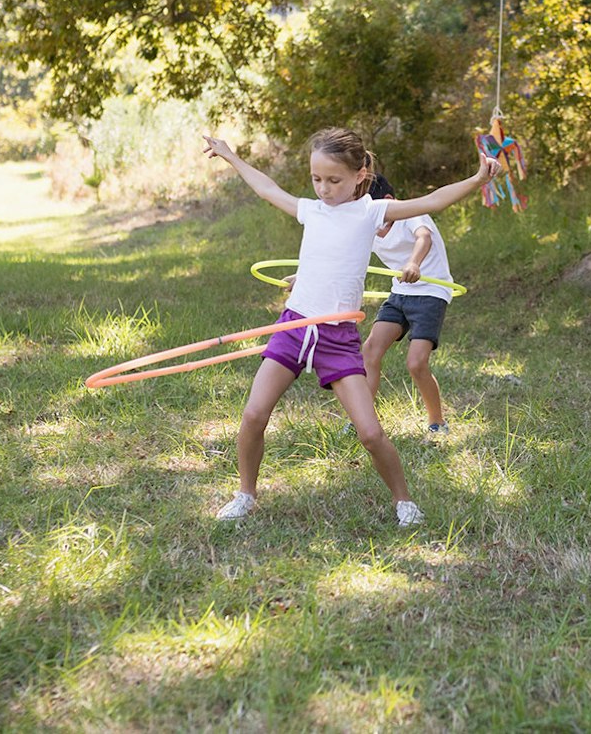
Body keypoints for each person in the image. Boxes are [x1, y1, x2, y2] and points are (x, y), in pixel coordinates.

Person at [201, 128, 495, 526]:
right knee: (254, 414)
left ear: (359, 175)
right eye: (317, 179)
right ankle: (245, 494)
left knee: (370, 434)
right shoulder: (312, 210)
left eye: (334, 180)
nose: (324, 189)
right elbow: (268, 189)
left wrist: (478, 180)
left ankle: (404, 503)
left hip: (337, 337)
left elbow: (432, 201)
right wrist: (232, 157)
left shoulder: (371, 212)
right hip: (296, 325)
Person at [363, 174, 456, 437]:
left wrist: (413, 262)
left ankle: (437, 422)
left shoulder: (410, 214)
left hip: (431, 291)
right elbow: (342, 260)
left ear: (389, 202)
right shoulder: (367, 227)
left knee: (416, 363)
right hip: (400, 292)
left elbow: (423, 238)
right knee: (369, 351)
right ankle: (364, 420)